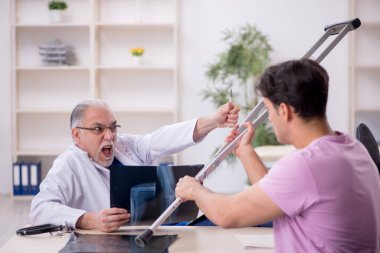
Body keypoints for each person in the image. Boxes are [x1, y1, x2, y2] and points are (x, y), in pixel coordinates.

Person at [175, 59, 380, 252]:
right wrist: (246, 152)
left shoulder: (306, 165)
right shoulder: (352, 148)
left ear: (284, 111)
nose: (269, 119)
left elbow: (228, 214)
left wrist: (194, 190)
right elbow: (279, 195)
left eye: (268, 109)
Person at [29, 99, 240, 232]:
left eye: (113, 127)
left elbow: (163, 138)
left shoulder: (125, 145)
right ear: (77, 135)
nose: (110, 136)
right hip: (121, 242)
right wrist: (89, 220)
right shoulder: (68, 164)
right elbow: (40, 209)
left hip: (165, 230)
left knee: (230, 224)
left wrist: (213, 121)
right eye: (98, 129)